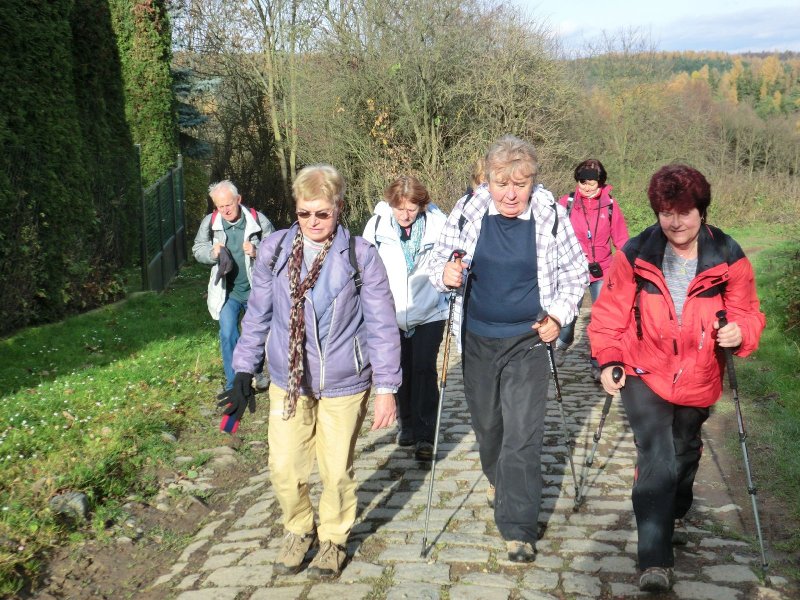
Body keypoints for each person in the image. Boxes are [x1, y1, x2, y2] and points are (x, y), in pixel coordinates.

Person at [587, 164, 766, 592]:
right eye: (667, 212)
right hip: (643, 369)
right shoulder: (636, 253)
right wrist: (610, 359)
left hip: (700, 372)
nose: (676, 222)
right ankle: (654, 559)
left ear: (701, 211)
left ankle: (676, 510)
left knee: (684, 452)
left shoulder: (727, 254)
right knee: (657, 456)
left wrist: (740, 332)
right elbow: (609, 314)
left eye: (684, 211)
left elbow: (748, 310)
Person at [223, 164, 401, 579]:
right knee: (284, 467)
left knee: (336, 470)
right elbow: (259, 314)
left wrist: (387, 387)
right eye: (305, 213)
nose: (313, 222)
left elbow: (381, 324)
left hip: (345, 379)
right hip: (290, 380)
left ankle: (334, 539)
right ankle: (299, 528)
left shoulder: (361, 256)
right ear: (296, 211)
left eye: (322, 213)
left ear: (338, 208)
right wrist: (243, 370)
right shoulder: (275, 250)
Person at [427, 135, 587, 563]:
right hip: (477, 338)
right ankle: (498, 476)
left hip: (529, 339)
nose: (511, 194)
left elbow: (576, 273)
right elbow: (435, 260)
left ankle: (518, 527)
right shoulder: (470, 210)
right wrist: (446, 273)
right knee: (489, 427)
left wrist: (557, 316)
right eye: (502, 184)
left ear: (533, 181)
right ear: (489, 180)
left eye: (520, 184)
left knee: (523, 432)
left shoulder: (551, 215)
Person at [362, 175, 449, 461]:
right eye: (399, 208)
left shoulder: (440, 225)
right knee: (400, 370)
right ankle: (407, 424)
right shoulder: (376, 226)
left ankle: (426, 434)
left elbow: (453, 259)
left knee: (424, 368)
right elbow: (363, 266)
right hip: (392, 312)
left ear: (422, 205)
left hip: (430, 310)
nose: (405, 215)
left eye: (411, 208)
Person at [192, 180, 274, 391]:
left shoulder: (258, 221)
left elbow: (277, 250)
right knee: (228, 333)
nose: (225, 210)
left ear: (239, 200)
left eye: (229, 204)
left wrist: (257, 252)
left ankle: (253, 374)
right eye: (220, 206)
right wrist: (212, 254)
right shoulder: (210, 222)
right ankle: (233, 384)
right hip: (227, 291)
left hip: (256, 291)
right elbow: (197, 248)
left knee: (256, 336)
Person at [556, 159, 629, 379]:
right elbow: (552, 236)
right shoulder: (566, 203)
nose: (587, 187)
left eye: (592, 182)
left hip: (603, 268)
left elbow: (621, 239)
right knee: (568, 315)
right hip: (572, 269)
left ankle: (598, 362)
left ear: (601, 182)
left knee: (602, 319)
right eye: (583, 181)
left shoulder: (610, 205)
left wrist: (628, 266)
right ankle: (562, 343)